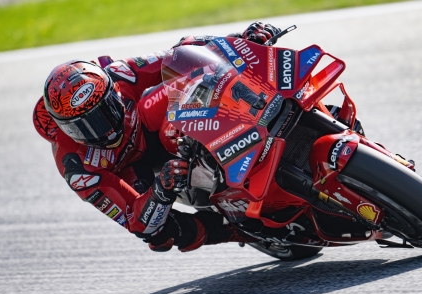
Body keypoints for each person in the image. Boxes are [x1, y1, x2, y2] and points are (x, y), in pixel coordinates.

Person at [33, 22, 281, 252]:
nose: (104, 130)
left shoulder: (118, 73)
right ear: (63, 129)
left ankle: (257, 113)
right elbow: (133, 219)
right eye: (84, 127)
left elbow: (179, 54)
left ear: (112, 92)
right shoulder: (75, 166)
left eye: (106, 111)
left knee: (195, 72)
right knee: (158, 235)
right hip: (132, 168)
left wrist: (240, 40)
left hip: (146, 124)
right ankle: (237, 231)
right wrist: (160, 191)